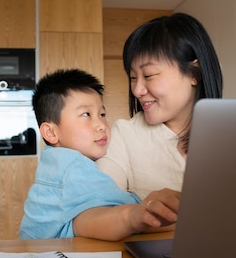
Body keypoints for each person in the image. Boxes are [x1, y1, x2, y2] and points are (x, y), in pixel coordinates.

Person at [19, 69, 179, 241]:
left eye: (102, 114)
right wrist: (136, 214)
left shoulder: (55, 164)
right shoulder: (72, 167)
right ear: (50, 132)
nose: (101, 125)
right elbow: (107, 215)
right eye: (86, 114)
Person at [97, 12, 223, 199]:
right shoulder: (124, 136)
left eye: (148, 75)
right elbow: (97, 210)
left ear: (194, 74)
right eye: (133, 78)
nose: (137, 90)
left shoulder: (234, 136)